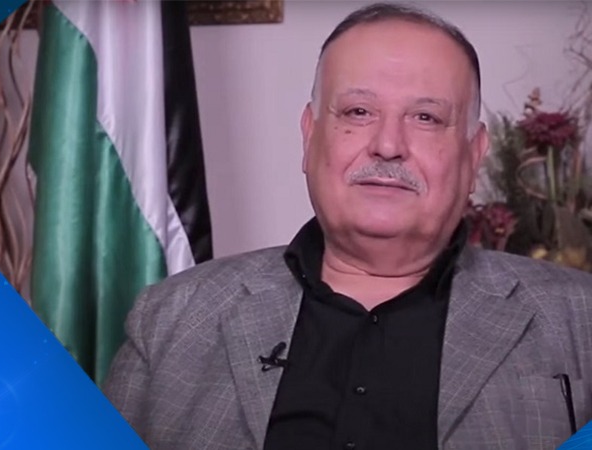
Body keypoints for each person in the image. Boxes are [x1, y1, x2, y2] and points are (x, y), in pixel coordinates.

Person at [103, 3, 592, 449]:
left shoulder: (579, 321)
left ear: (475, 154)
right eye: (359, 112)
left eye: (425, 117)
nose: (388, 145)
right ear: (309, 137)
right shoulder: (172, 318)